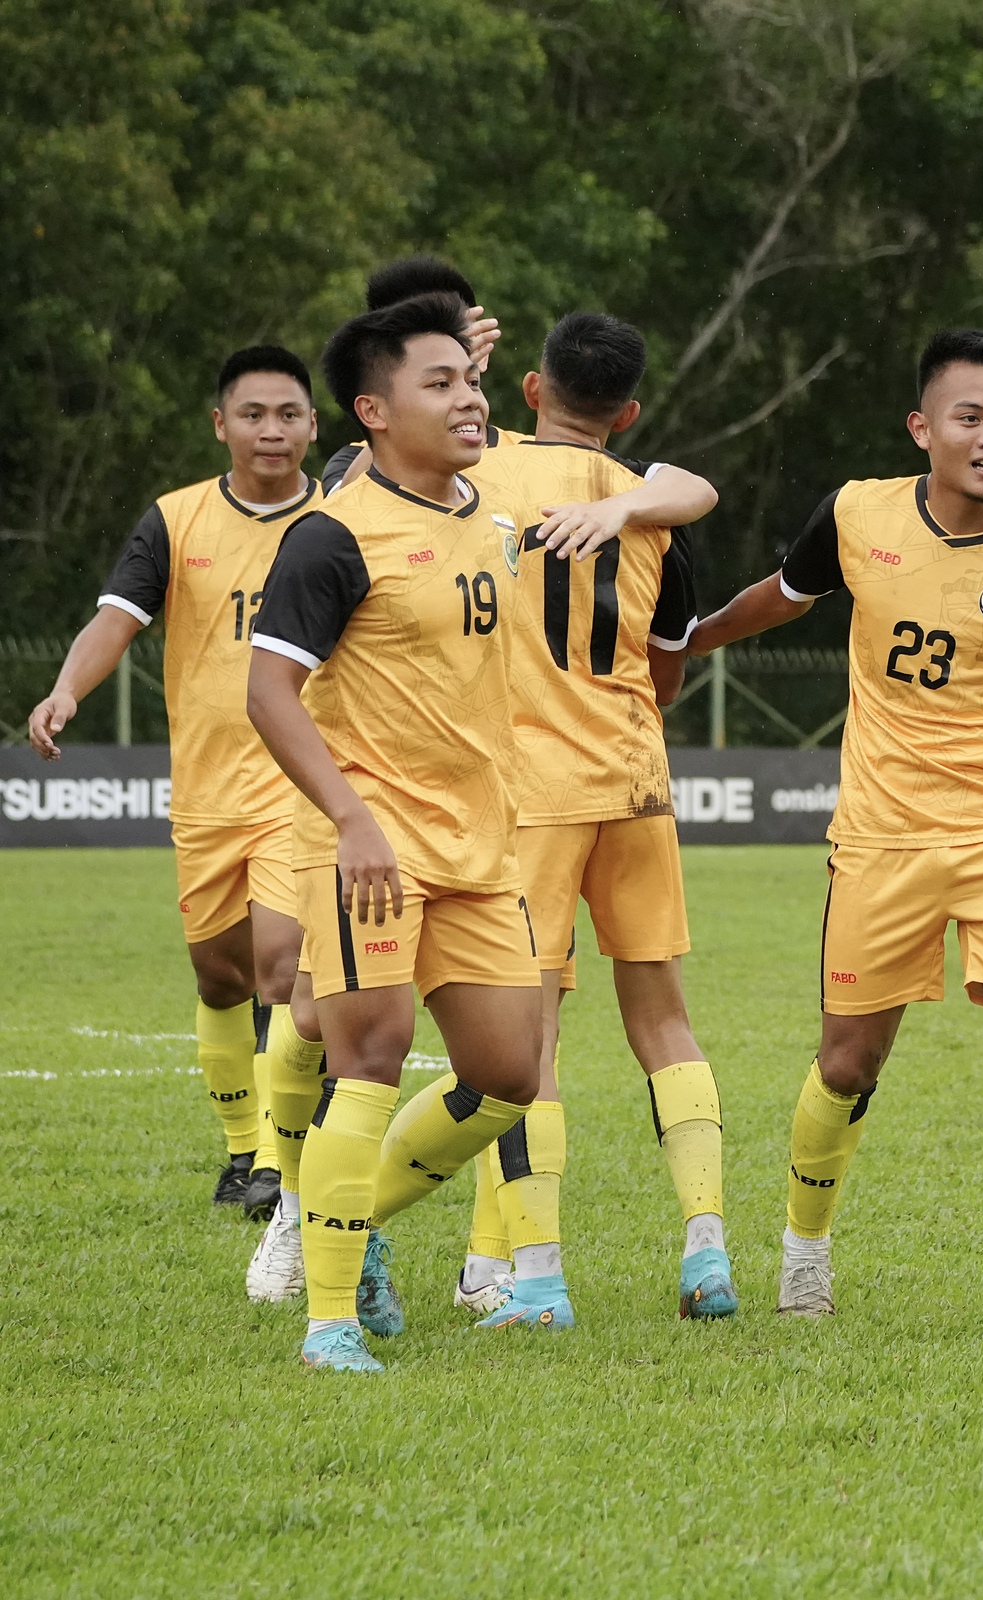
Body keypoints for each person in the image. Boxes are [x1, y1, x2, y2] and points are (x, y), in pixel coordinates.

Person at [686, 328, 983, 1336]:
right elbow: (782, 596)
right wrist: (687, 642)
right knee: (847, 1062)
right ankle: (805, 1256)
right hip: (880, 838)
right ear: (924, 428)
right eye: (972, 417)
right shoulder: (856, 512)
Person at [245, 291, 543, 1374]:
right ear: (373, 410)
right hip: (372, 846)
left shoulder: (488, 516)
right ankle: (329, 1321)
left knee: (508, 1070)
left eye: (470, 380)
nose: (469, 399)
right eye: (441, 383)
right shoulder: (332, 535)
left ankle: (349, 1216)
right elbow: (270, 691)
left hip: (481, 847)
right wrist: (352, 817)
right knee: (367, 1055)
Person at [445, 311, 726, 1330]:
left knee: (530, 1038)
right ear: (632, 411)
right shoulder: (648, 501)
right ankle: (707, 1249)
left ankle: (538, 1276)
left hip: (530, 793)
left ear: (527, 391)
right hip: (637, 776)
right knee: (665, 1019)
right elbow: (668, 663)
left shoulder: (481, 479)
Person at [27, 347, 330, 1254]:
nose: (270, 430)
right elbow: (116, 617)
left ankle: (280, 1165)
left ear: (316, 425)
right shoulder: (174, 520)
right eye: (252, 414)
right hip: (205, 791)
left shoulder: (345, 517)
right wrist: (67, 689)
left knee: (281, 967)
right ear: (221, 425)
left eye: (288, 414)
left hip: (303, 784)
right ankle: (241, 1151)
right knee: (221, 977)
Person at [321, 256, 513, 489]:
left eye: (455, 335)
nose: (445, 348)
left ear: (484, 351)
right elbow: (343, 510)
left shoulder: (526, 455)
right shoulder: (353, 460)